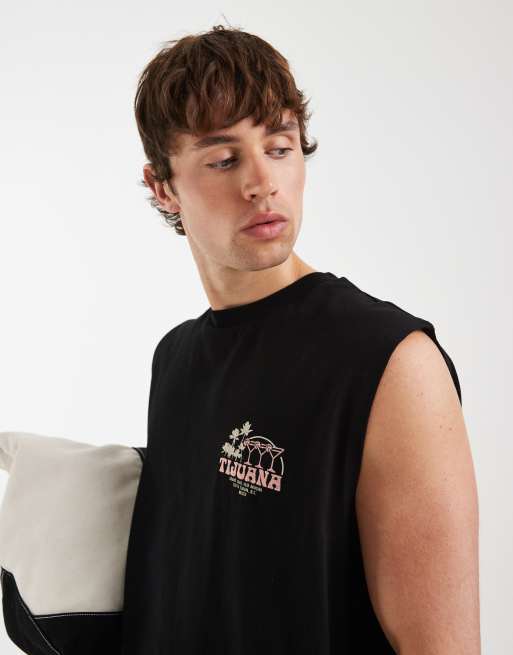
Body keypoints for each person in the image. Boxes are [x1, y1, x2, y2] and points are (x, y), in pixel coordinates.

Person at [120, 24, 480, 655]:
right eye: (224, 159)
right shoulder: (174, 360)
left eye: (280, 147)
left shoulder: (392, 362)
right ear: (163, 187)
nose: (262, 182)